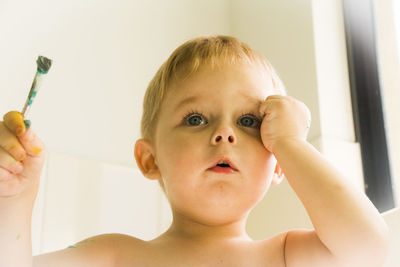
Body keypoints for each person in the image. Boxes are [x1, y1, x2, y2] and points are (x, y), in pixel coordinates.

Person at [0, 35, 389, 267]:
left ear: (276, 166)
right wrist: (14, 199)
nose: (224, 134)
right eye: (196, 119)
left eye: (249, 122)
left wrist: (291, 143)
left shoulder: (286, 256)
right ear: (150, 160)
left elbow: (370, 249)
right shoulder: (115, 257)